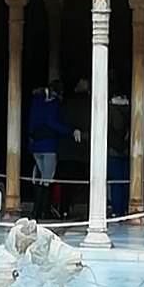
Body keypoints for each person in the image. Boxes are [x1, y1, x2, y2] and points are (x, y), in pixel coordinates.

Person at [28, 81, 80, 221]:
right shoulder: (54, 103)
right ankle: (43, 211)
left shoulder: (36, 101)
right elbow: (52, 122)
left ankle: (37, 211)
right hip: (49, 145)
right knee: (47, 179)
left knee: (40, 179)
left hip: (36, 145)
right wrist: (70, 131)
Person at [57, 78, 91, 219]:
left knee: (67, 184)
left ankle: (64, 210)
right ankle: (90, 212)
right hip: (86, 149)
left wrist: (71, 131)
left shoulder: (66, 102)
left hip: (67, 150)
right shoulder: (91, 102)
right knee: (89, 183)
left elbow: (61, 121)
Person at [108, 91, 130, 217]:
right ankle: (126, 209)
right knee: (126, 181)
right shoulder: (130, 111)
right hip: (127, 152)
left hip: (114, 151)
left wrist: (118, 147)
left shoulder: (110, 112)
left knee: (116, 183)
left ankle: (117, 210)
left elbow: (110, 133)